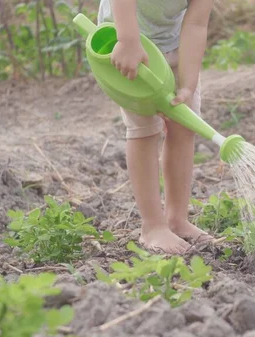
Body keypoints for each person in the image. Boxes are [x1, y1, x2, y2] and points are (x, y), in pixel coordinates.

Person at [97, 0, 214, 254]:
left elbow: (195, 25)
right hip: (123, 40)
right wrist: (127, 39)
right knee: (144, 129)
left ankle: (177, 219)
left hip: (171, 46)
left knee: (184, 125)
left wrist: (187, 85)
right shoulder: (124, 39)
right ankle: (152, 226)